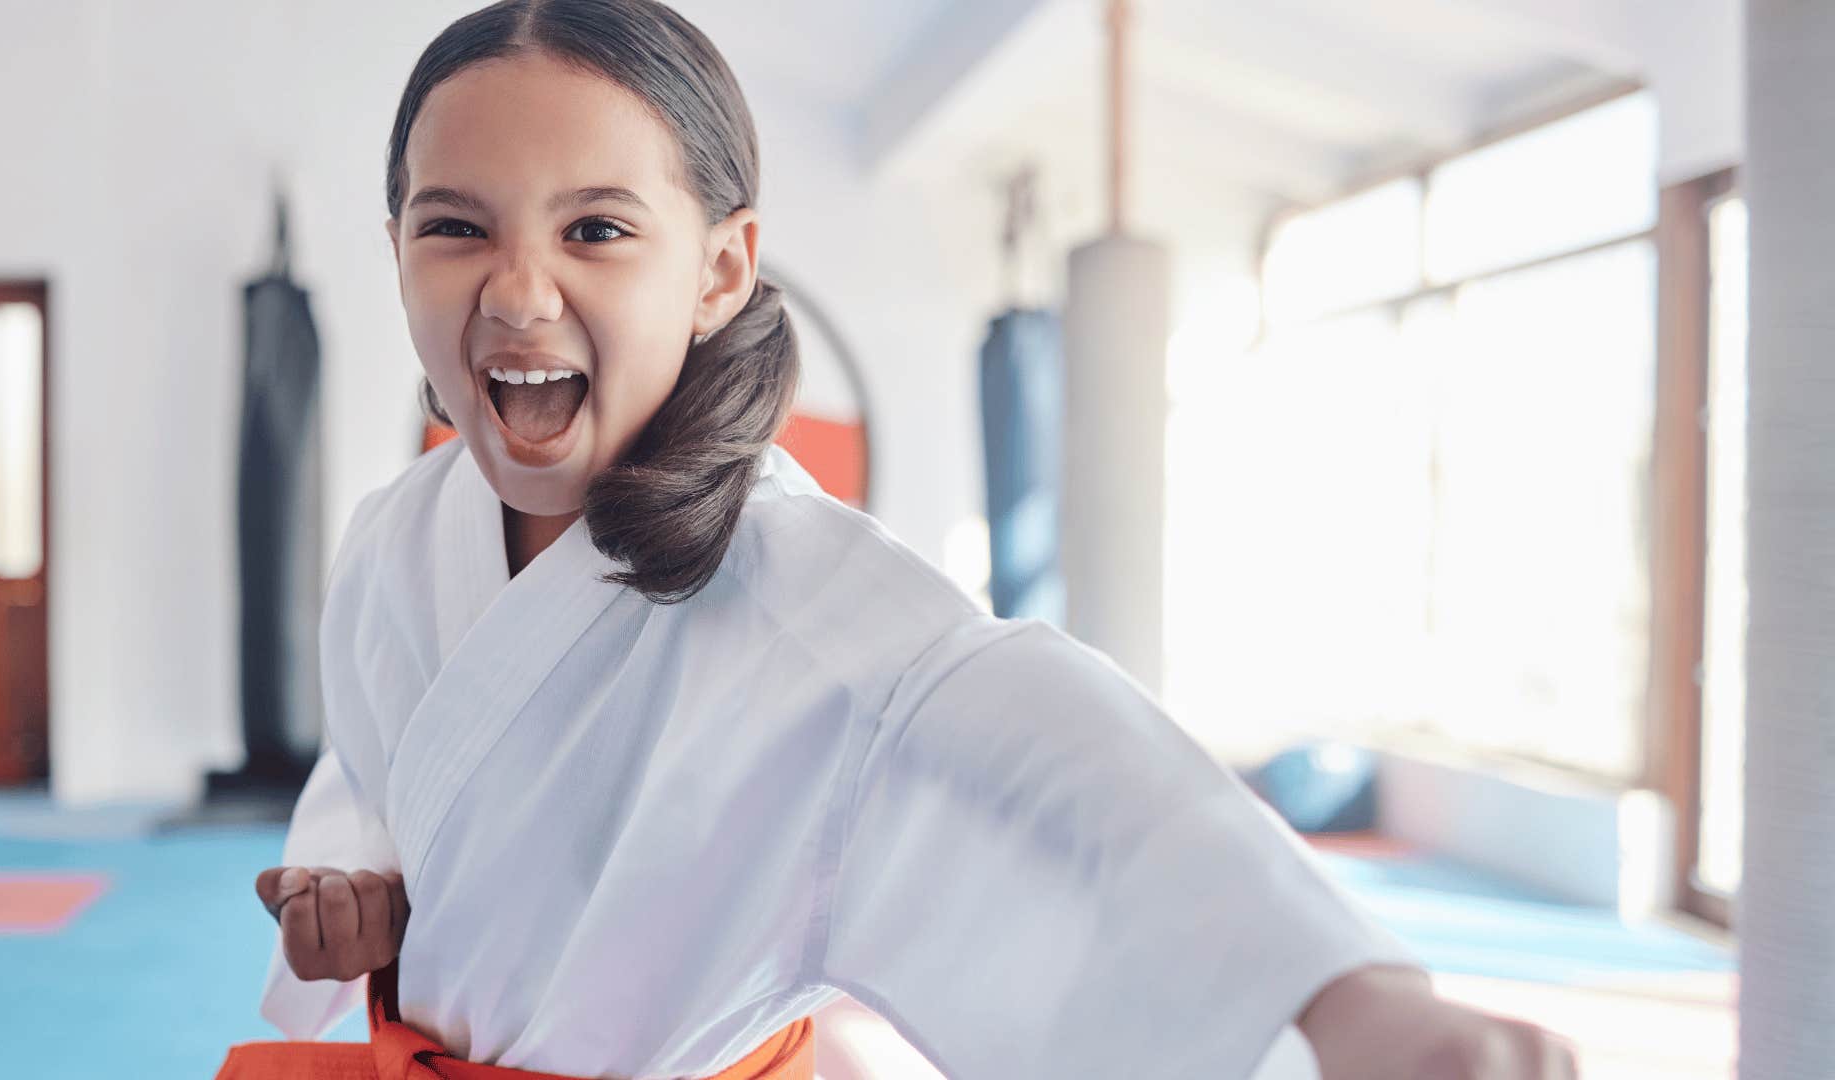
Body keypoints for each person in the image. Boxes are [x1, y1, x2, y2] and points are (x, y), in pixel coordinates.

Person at [221, 2, 1578, 1078]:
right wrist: (365, 877)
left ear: (721, 268)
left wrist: (1347, 997)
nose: (519, 292)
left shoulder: (796, 584)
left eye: (597, 229)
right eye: (454, 227)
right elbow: (378, 766)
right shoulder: (395, 539)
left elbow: (1062, 757)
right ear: (395, 246)